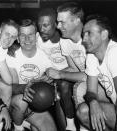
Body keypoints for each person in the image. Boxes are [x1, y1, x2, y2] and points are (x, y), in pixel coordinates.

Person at [6, 19, 57, 131]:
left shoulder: (45, 55)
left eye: (30, 35)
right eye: (22, 35)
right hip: (15, 103)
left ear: (37, 36)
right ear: (18, 38)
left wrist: (50, 83)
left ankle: (28, 123)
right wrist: (25, 88)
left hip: (36, 104)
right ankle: (17, 127)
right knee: (21, 101)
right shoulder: (12, 55)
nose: (27, 39)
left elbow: (52, 79)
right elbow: (11, 88)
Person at [78, 14, 117, 131]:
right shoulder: (92, 56)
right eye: (84, 34)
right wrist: (93, 102)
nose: (84, 39)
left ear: (104, 34)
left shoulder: (116, 52)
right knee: (84, 111)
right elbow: (91, 91)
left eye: (89, 33)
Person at [45, 2, 87, 131]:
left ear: (77, 21)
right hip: (84, 80)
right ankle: (70, 126)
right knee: (60, 84)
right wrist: (50, 76)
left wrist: (60, 74)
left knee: (75, 88)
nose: (58, 26)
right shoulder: (64, 40)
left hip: (103, 85)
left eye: (62, 22)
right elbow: (73, 68)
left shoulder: (91, 39)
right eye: (58, 22)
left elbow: (91, 76)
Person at [37, 8, 74, 130]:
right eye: (39, 25)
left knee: (63, 88)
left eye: (46, 25)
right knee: (44, 93)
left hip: (68, 73)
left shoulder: (67, 38)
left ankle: (70, 126)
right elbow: (18, 33)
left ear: (56, 25)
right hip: (51, 75)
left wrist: (59, 74)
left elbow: (76, 66)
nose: (41, 29)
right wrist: (12, 47)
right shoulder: (38, 38)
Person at [0, 19, 19, 106]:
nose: (9, 39)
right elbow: (10, 80)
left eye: (13, 37)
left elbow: (15, 81)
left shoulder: (3, 47)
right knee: (6, 87)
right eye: (7, 34)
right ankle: (4, 116)